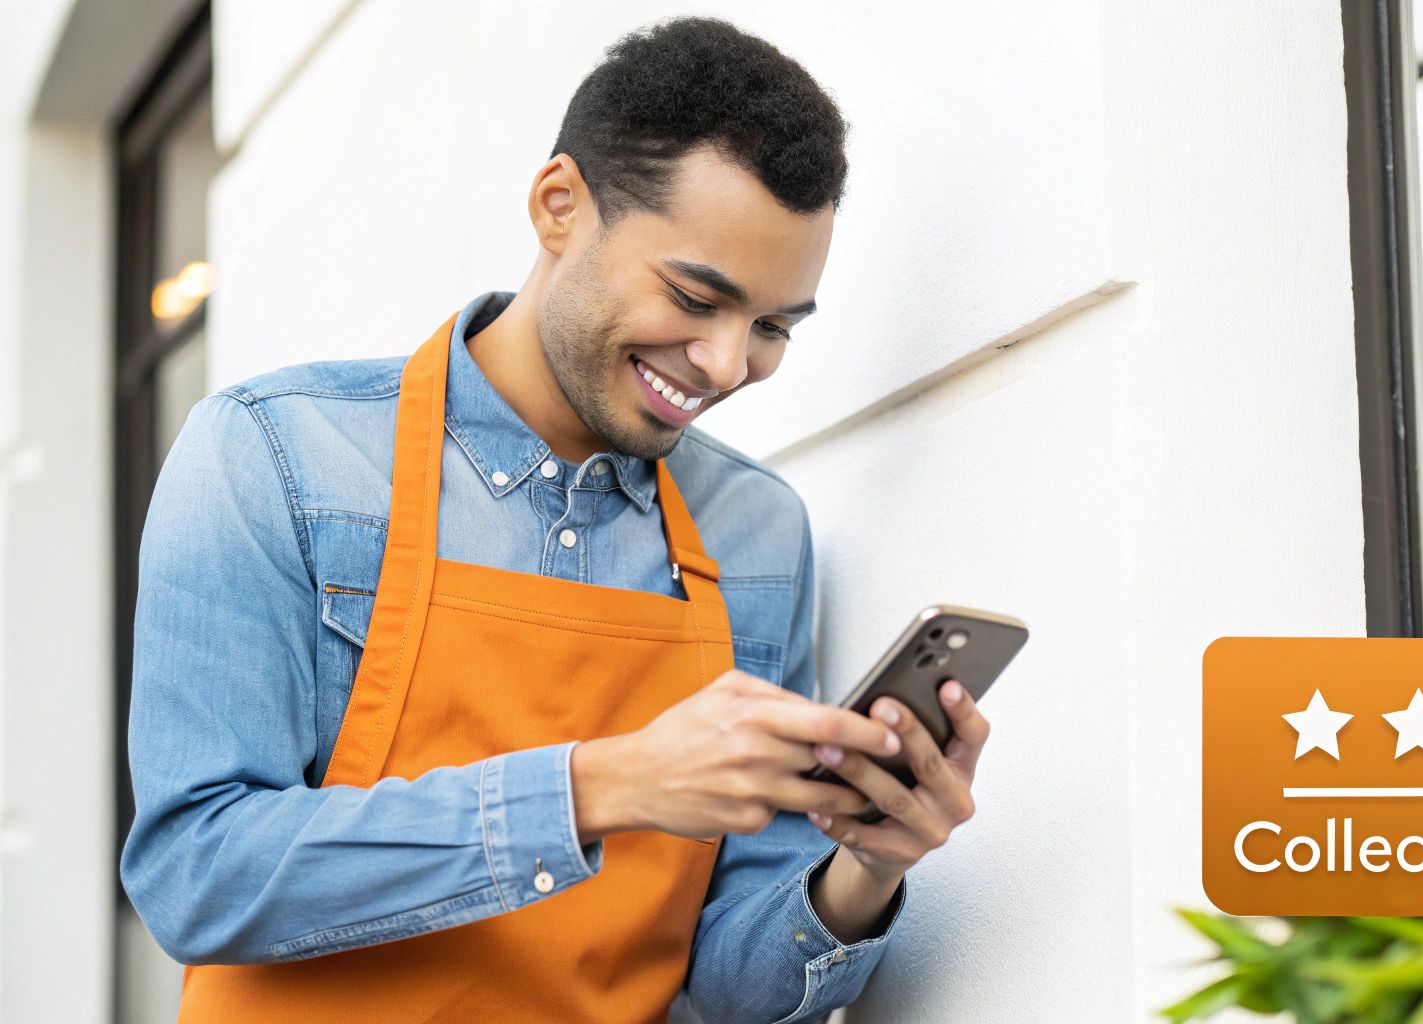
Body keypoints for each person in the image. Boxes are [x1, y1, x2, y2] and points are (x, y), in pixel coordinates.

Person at [120, 16, 989, 1023]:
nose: (724, 364)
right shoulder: (277, 456)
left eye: (770, 327)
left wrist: (865, 870)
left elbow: (727, 988)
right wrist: (596, 788)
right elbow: (196, 874)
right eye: (693, 297)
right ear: (559, 206)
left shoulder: (756, 535)